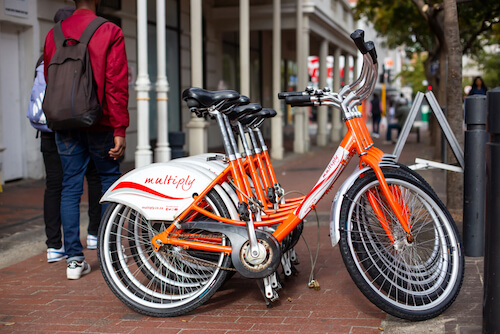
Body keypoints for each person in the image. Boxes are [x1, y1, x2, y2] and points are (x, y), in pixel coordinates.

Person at [43, 0, 129, 279]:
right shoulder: (108, 30)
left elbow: (49, 77)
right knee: (108, 182)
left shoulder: (53, 33)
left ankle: (73, 261)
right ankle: (108, 254)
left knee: (69, 188)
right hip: (100, 121)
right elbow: (116, 83)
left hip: (65, 124)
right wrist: (120, 127)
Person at [35, 6, 102, 264]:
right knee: (94, 178)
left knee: (58, 187)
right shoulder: (83, 47)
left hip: (50, 127)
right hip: (81, 123)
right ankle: (95, 234)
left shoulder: (45, 56)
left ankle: (55, 245)